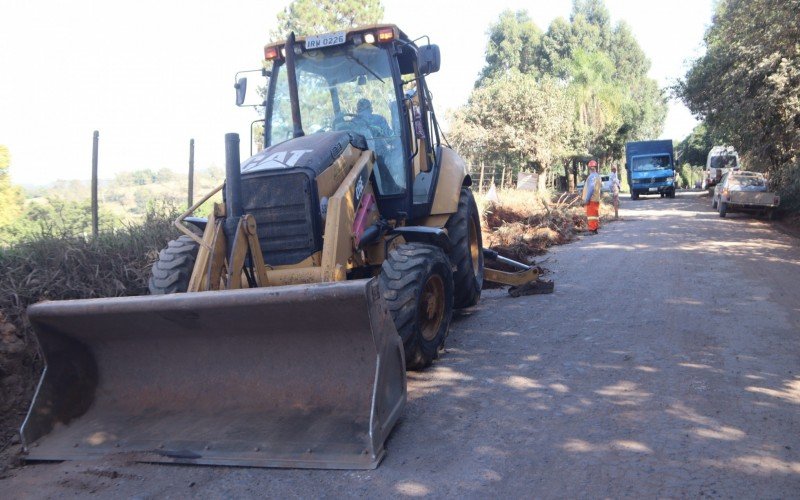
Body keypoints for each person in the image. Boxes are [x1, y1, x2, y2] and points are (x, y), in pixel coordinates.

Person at [581, 160, 603, 233]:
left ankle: (591, 230)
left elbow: (591, 189)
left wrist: (586, 200)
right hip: (596, 199)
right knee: (595, 216)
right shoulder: (598, 176)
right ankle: (595, 229)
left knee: (591, 216)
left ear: (589, 168)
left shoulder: (591, 177)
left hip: (591, 199)